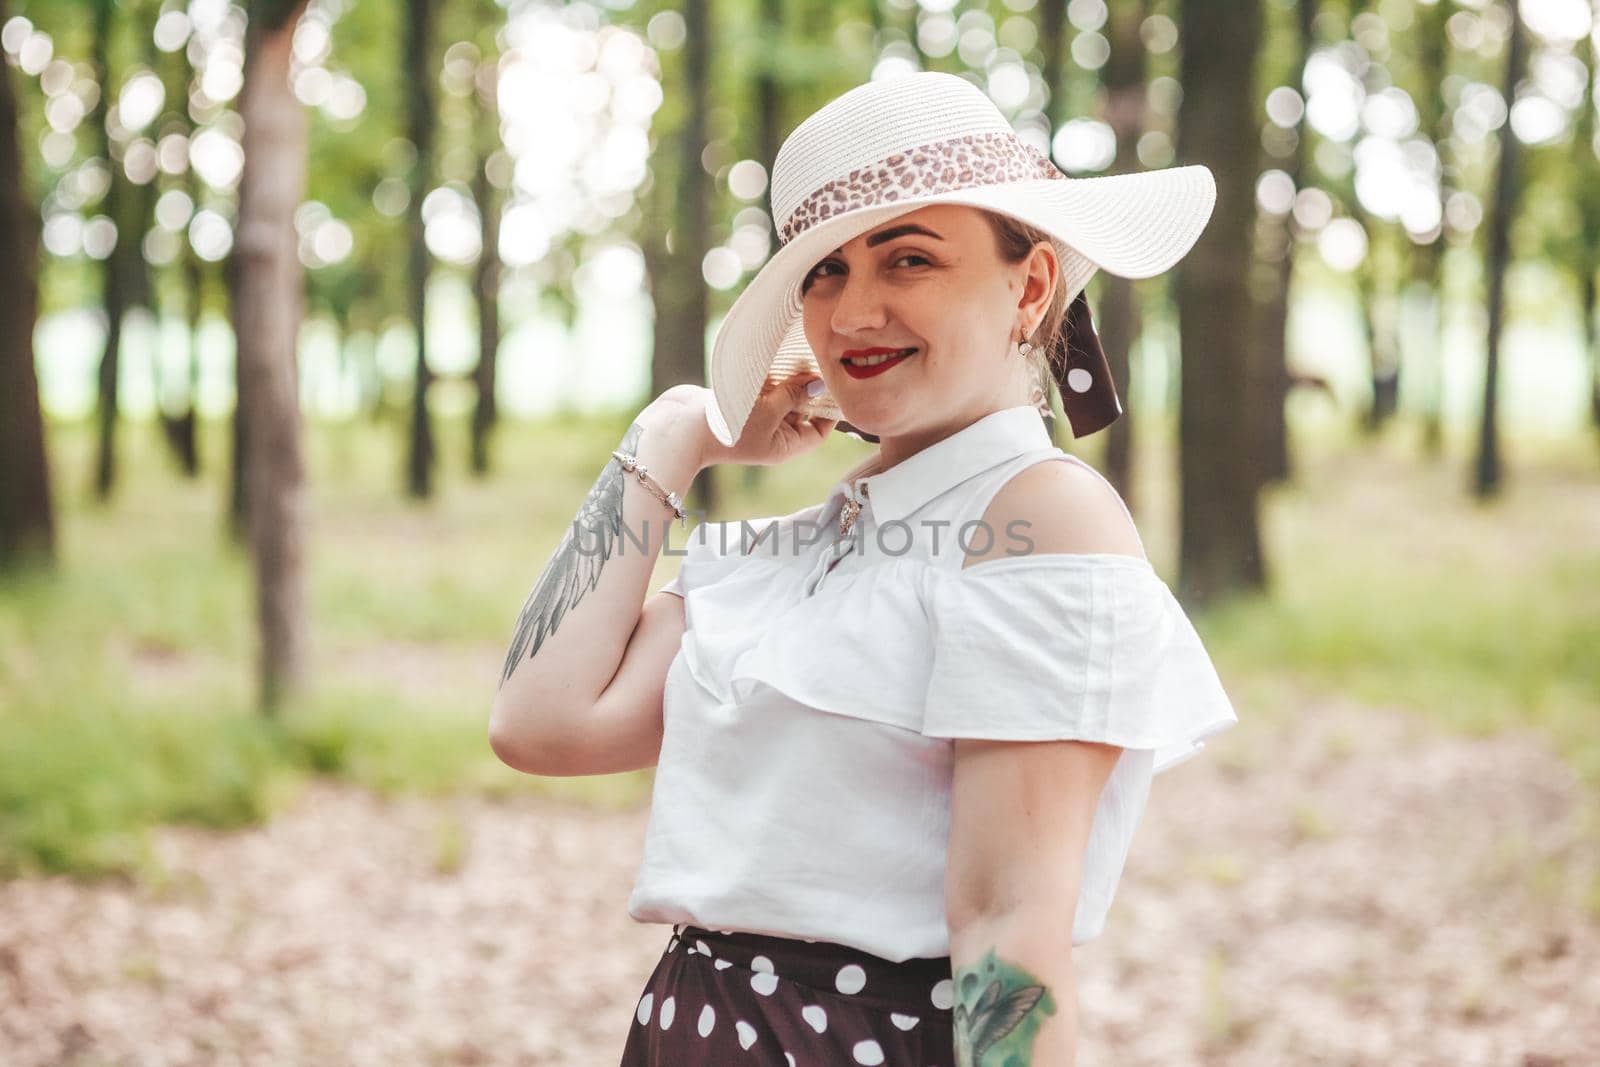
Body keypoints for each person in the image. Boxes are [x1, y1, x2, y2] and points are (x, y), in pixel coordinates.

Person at [490, 72, 1238, 1067]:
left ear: (1029, 285)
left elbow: (1006, 927)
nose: (850, 315)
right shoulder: (809, 545)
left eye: (909, 258)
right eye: (826, 271)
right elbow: (540, 721)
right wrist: (671, 436)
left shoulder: (1040, 517)